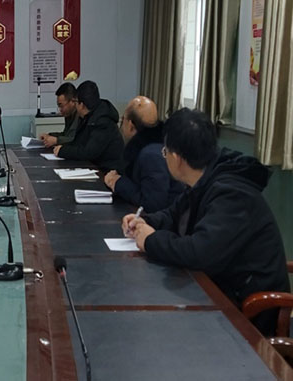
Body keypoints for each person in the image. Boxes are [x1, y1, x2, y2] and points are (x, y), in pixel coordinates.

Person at [123, 108, 289, 336]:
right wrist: (144, 221)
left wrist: (151, 240)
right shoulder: (205, 179)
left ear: (176, 159)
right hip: (218, 289)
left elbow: (199, 252)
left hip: (250, 311)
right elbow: (174, 214)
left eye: (165, 152)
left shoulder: (232, 193)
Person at [104, 96, 183, 212]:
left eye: (123, 119)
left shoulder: (151, 155)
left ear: (130, 125)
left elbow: (153, 203)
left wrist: (118, 183)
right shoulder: (160, 144)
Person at [54, 80, 124, 171]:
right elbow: (78, 143)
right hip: (94, 166)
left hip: (107, 171)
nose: (75, 106)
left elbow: (89, 152)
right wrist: (62, 147)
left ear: (82, 105)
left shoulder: (103, 121)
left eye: (76, 102)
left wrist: (63, 151)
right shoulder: (87, 116)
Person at [39, 82, 79, 148]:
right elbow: (66, 135)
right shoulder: (69, 115)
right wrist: (49, 136)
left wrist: (56, 140)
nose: (60, 110)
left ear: (72, 101)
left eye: (61, 105)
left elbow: (76, 140)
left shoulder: (81, 115)